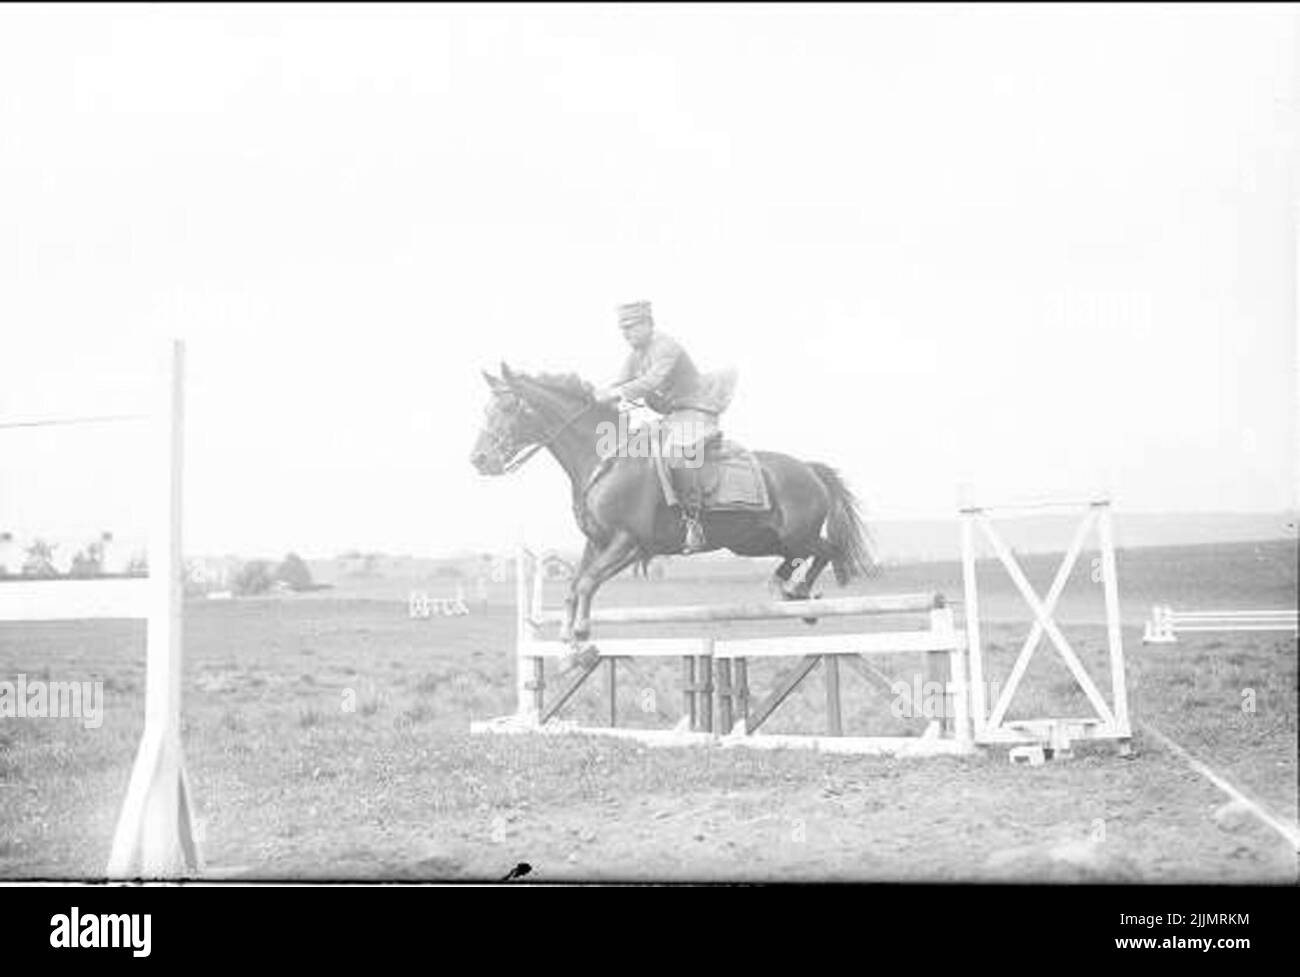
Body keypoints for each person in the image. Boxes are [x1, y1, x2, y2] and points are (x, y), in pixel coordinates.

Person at [592, 301, 734, 553]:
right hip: (674, 417)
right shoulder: (636, 354)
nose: (626, 334)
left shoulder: (666, 346)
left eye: (632, 327)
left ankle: (693, 523)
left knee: (676, 454)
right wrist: (597, 395)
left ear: (648, 324)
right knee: (634, 448)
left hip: (696, 413)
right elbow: (621, 381)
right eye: (623, 329)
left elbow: (650, 381)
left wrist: (615, 394)